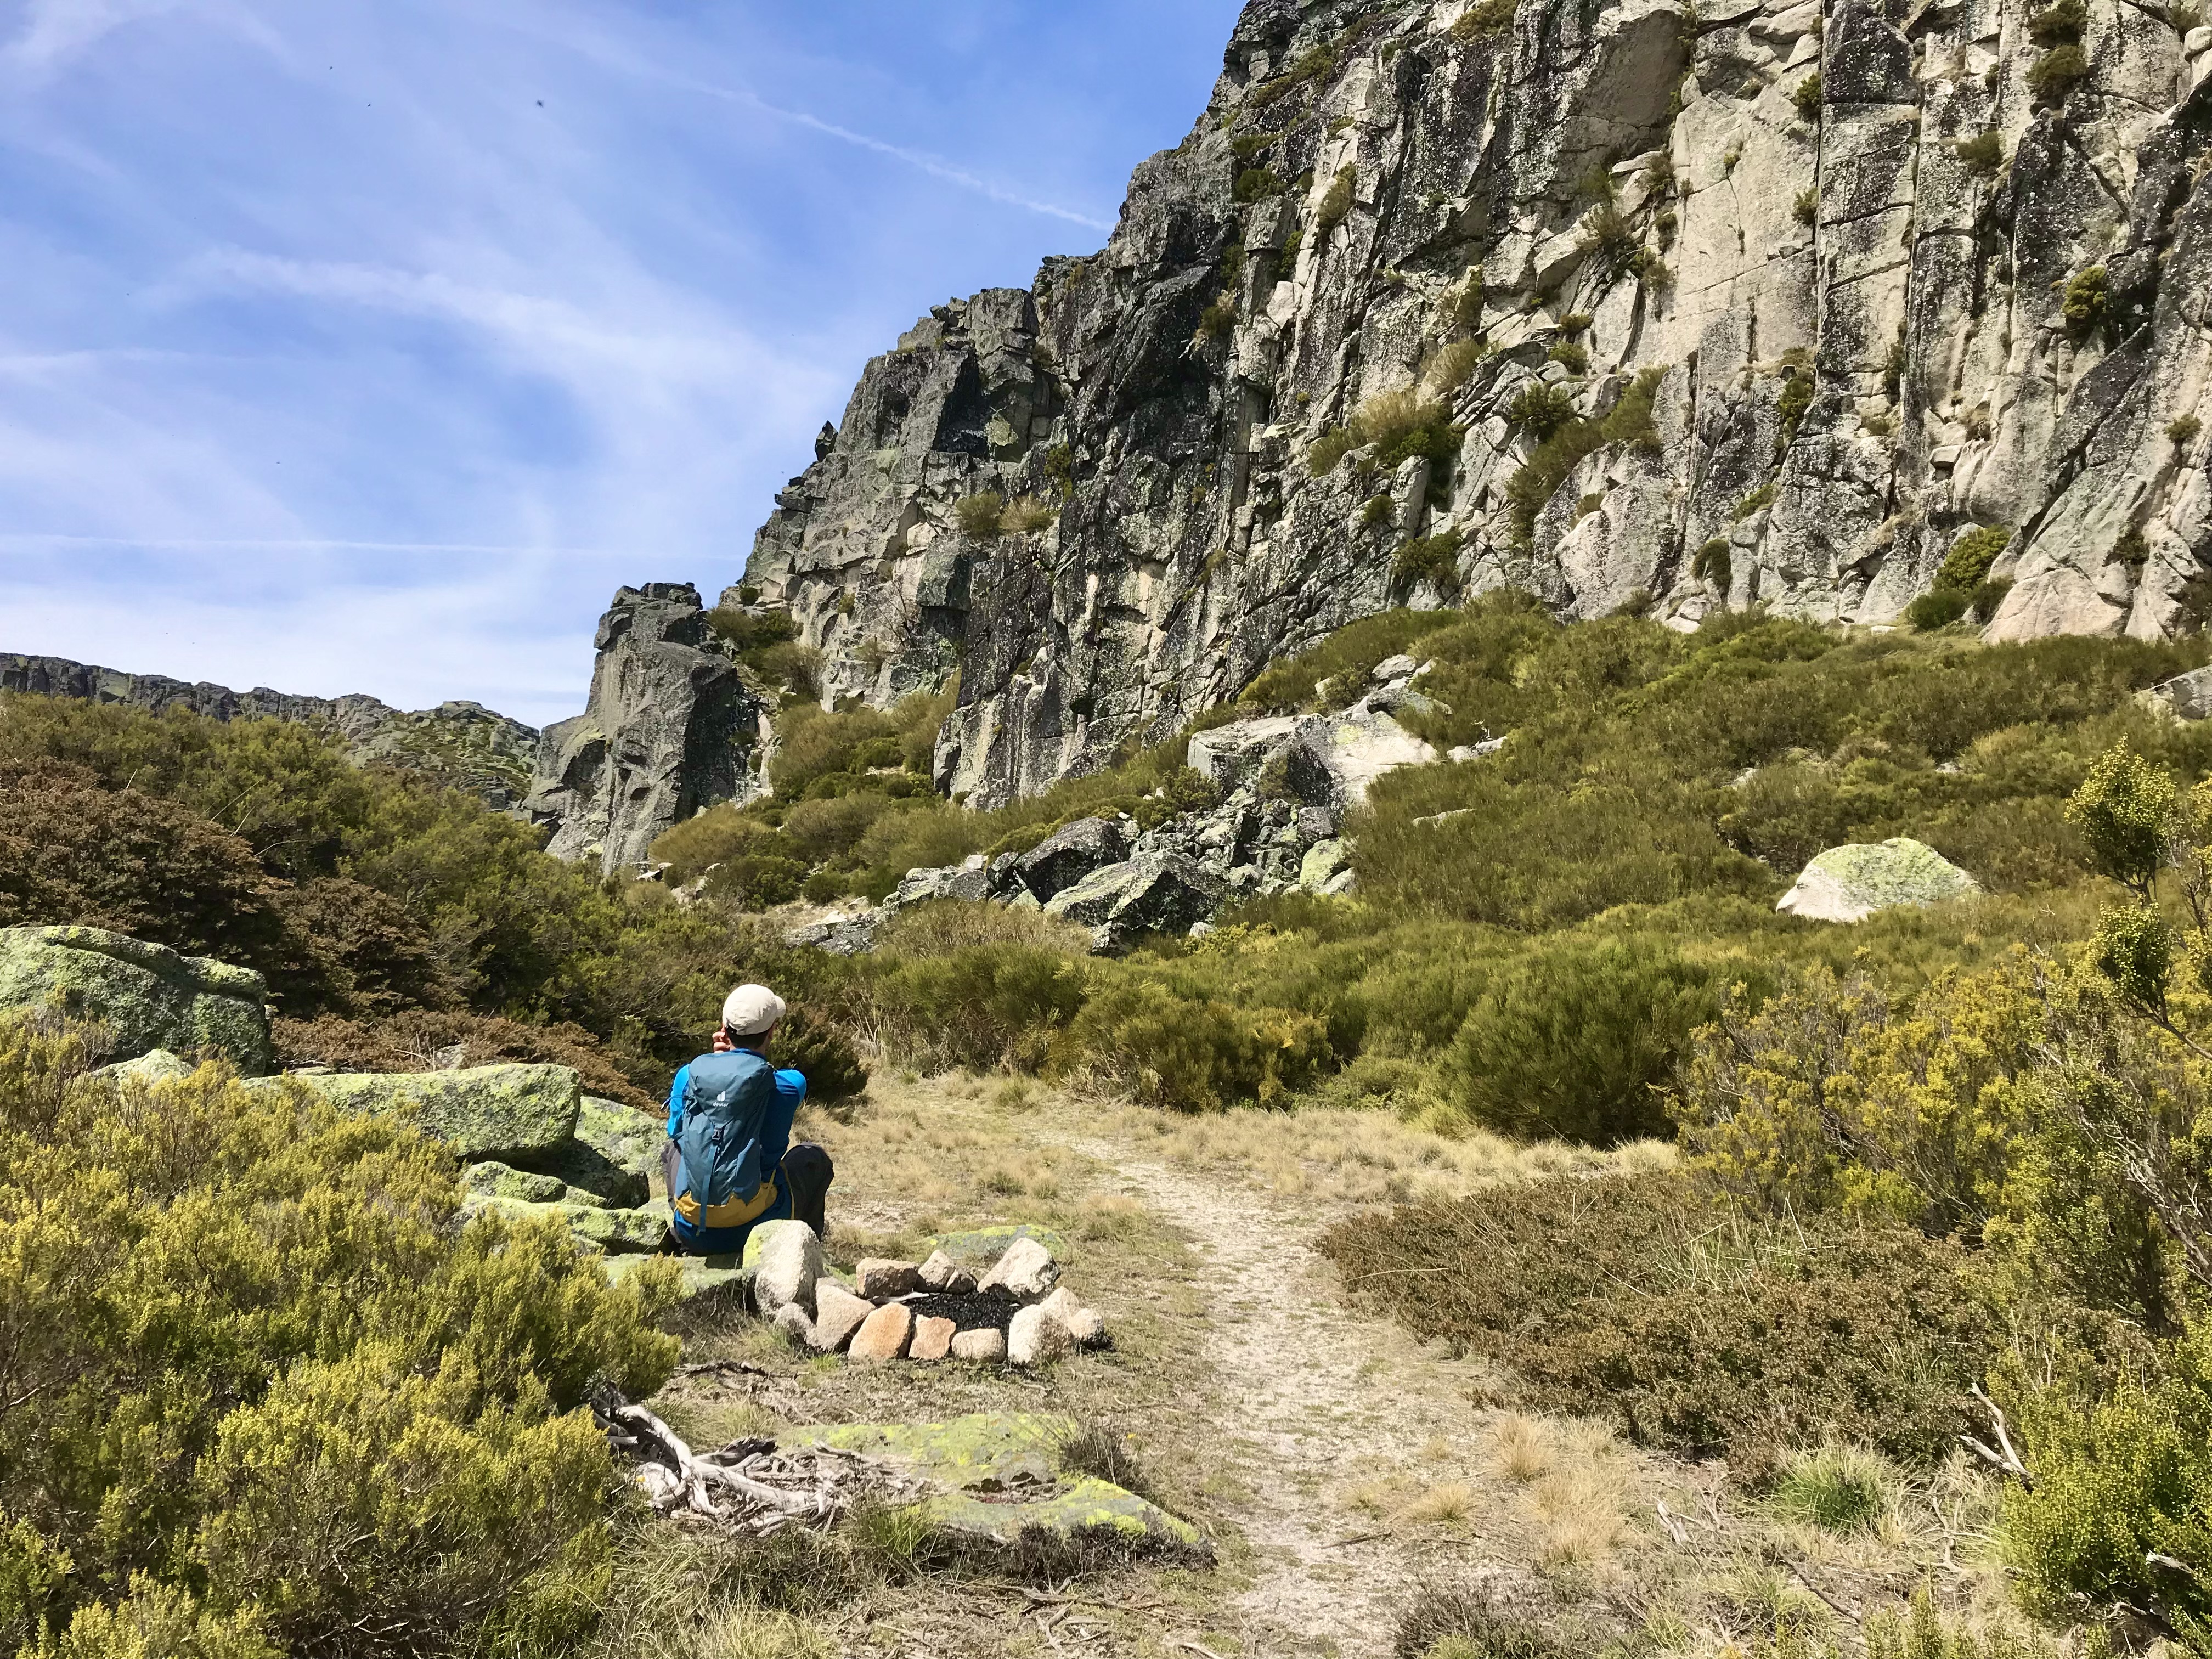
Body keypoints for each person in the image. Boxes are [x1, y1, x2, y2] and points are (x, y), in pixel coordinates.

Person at [663, 983, 834, 1256]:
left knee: (672, 1149)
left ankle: (688, 1228)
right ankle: (803, 1257)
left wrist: (721, 1063)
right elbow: (784, 1080)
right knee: (814, 1157)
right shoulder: (787, 1087)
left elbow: (676, 1131)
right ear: (772, 1032)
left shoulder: (687, 1075)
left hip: (692, 1231)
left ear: (724, 1028)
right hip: (755, 1229)